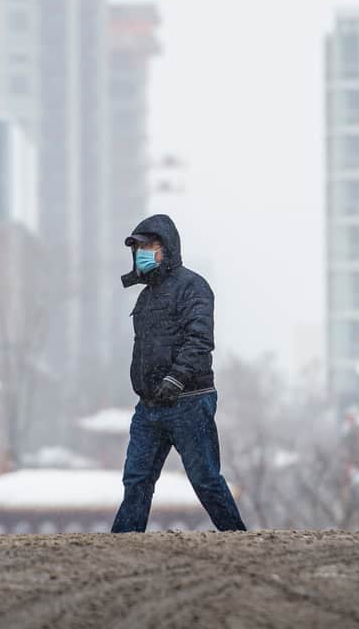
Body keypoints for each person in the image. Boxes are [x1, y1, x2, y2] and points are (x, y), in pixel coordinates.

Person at [111, 214, 247, 532]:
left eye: (149, 245)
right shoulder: (145, 297)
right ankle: (122, 544)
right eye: (138, 247)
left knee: (205, 478)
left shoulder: (193, 286)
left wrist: (175, 379)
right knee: (136, 479)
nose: (142, 252)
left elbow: (200, 339)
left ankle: (237, 539)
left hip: (189, 401)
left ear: (167, 248)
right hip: (150, 406)